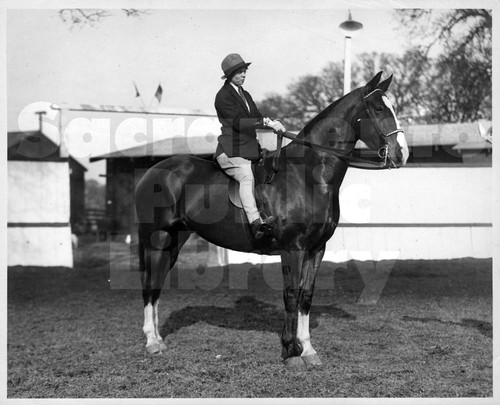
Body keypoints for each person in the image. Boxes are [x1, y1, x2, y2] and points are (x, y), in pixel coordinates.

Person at [214, 53, 286, 239]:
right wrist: (265, 122)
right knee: (246, 176)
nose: (244, 75)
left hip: (248, 149)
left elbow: (257, 116)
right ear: (229, 76)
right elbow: (238, 123)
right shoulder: (223, 96)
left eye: (244, 71)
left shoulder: (245, 94)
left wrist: (273, 123)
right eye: (239, 72)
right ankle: (256, 223)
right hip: (231, 151)